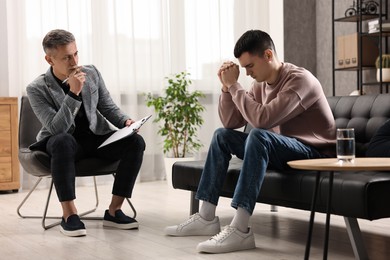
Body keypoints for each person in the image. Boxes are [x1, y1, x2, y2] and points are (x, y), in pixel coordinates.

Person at [164, 29, 336, 253]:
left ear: (267, 55)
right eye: (243, 68)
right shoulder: (260, 85)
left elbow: (262, 120)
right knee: (221, 136)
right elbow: (230, 122)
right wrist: (226, 89)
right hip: (282, 150)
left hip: (315, 155)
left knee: (258, 135)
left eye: (250, 66)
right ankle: (206, 216)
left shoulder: (300, 80)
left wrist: (235, 86)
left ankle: (240, 229)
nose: (247, 73)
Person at [27, 29, 146, 237]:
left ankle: (114, 210)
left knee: (135, 141)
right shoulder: (36, 88)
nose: (74, 61)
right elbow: (57, 129)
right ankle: (69, 215)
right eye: (66, 57)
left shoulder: (91, 73)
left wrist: (126, 122)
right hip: (63, 143)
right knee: (62, 140)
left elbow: (107, 106)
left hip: (94, 137)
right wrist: (73, 92)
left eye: (76, 54)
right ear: (49, 59)